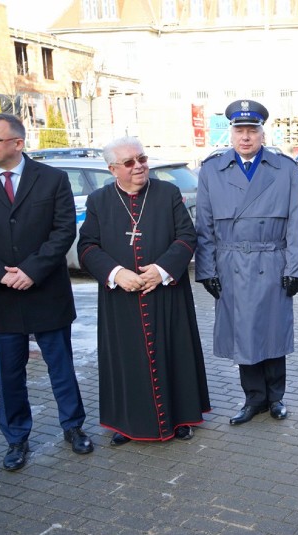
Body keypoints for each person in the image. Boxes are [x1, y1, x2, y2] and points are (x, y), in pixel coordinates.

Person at [0, 113, 93, 470]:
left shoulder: (53, 179)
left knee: (60, 366)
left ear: (17, 144)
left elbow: (63, 231)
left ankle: (73, 427)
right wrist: (0, 275)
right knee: (9, 373)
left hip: (46, 291)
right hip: (1, 294)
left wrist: (31, 271)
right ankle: (16, 439)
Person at [77, 137, 211, 445]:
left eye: (142, 158)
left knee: (173, 352)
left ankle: (180, 418)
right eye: (129, 163)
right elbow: (86, 246)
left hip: (165, 292)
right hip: (120, 298)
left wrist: (161, 269)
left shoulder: (167, 192)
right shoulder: (99, 200)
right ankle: (127, 423)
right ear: (113, 169)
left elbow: (187, 236)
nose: (139, 166)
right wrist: (116, 273)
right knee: (127, 360)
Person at [195, 100, 298, 425]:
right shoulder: (212, 170)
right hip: (232, 266)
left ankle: (276, 398)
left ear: (262, 133)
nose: (245, 137)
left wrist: (296, 268)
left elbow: (297, 223)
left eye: (252, 131)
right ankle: (253, 398)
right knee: (243, 334)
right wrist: (206, 270)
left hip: (272, 261)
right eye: (239, 130)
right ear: (231, 134)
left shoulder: (284, 169)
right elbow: (205, 226)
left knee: (272, 331)